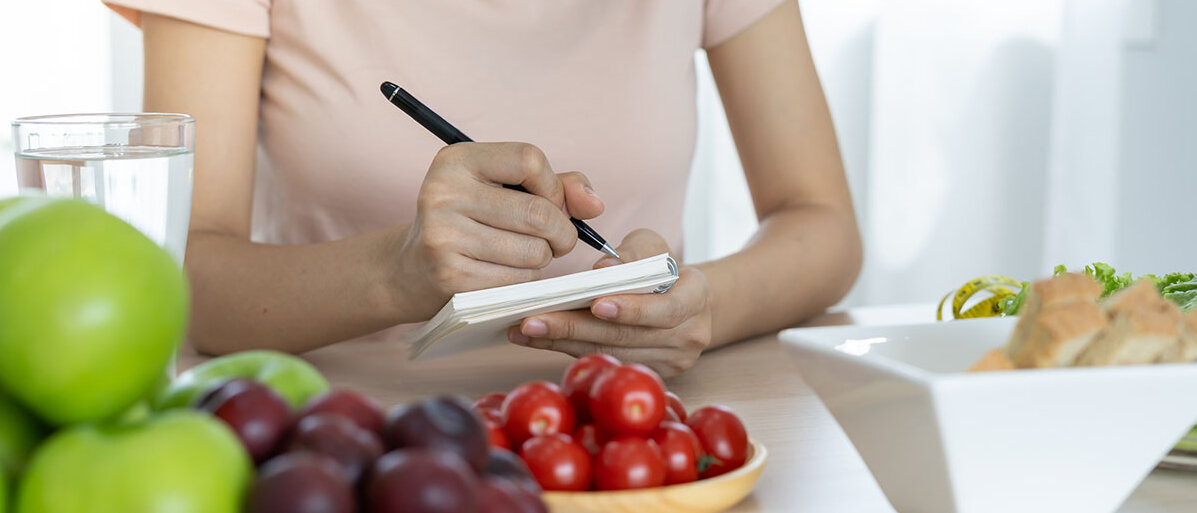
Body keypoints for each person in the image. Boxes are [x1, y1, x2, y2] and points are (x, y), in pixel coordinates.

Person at [104, 0, 862, 377]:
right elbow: (184, 276)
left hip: (627, 429)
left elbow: (821, 222)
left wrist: (703, 306)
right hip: (351, 438)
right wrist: (396, 273)